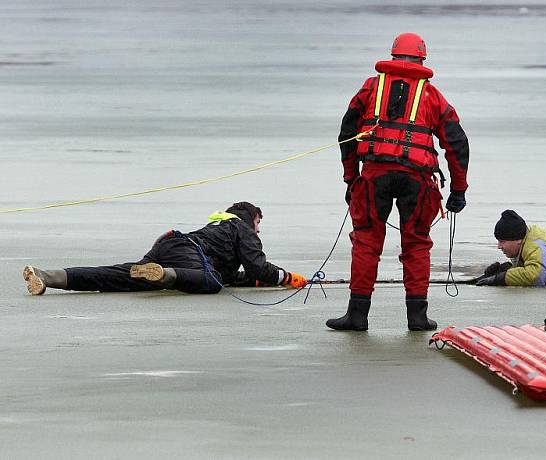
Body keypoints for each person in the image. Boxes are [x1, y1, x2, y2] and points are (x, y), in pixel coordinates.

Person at [327, 32, 470, 331]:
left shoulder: (370, 88)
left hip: (374, 175)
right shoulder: (432, 95)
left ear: (393, 56)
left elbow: (347, 134)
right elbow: (456, 143)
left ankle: (357, 316)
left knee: (366, 241)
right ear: (422, 58)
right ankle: (417, 317)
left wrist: (351, 178)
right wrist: (458, 189)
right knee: (417, 244)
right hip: (417, 180)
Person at [23, 201, 307, 295]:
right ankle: (163, 275)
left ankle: (47, 276)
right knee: (212, 282)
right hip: (188, 254)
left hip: (170, 242)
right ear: (250, 217)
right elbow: (257, 265)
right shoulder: (241, 227)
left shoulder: (219, 228)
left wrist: (254, 281)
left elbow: (243, 273)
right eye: (258, 222)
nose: (259, 229)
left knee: (121, 277)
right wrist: (286, 278)